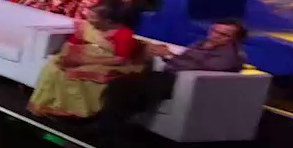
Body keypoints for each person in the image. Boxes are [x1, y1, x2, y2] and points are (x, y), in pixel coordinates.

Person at [97, 20, 248, 132]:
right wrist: (164, 54)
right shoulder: (202, 43)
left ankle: (108, 129)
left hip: (184, 84)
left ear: (234, 39)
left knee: (126, 89)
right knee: (120, 84)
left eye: (223, 34)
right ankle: (108, 124)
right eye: (214, 30)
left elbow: (202, 70)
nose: (214, 35)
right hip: (168, 76)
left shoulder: (229, 55)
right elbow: (183, 60)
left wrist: (169, 56)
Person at [26, 3, 146, 122]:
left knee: (74, 74)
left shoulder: (124, 34)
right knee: (54, 66)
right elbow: (71, 43)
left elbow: (120, 59)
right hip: (84, 55)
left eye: (93, 17)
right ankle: (48, 105)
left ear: (108, 22)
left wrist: (86, 61)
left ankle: (74, 112)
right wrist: (67, 56)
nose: (88, 19)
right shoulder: (87, 27)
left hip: (107, 63)